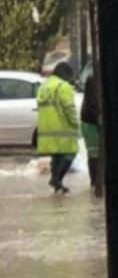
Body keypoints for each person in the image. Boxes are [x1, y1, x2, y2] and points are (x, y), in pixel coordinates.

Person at [36, 62, 79, 194]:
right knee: (72, 152)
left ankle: (57, 186)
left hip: (46, 130)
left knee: (56, 156)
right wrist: (75, 123)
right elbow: (69, 107)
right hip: (62, 128)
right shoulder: (63, 86)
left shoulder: (44, 86)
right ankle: (57, 179)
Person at [81, 76, 100, 191]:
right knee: (94, 155)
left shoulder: (87, 97)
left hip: (87, 124)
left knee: (93, 154)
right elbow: (94, 110)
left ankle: (94, 181)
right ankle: (94, 181)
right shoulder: (92, 98)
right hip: (91, 125)